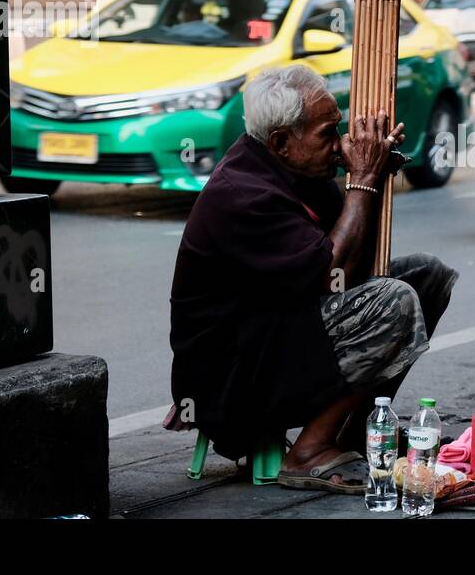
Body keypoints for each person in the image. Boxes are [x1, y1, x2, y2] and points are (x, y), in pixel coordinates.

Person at [168, 65, 458, 493]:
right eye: (328, 134)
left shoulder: (299, 171)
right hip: (230, 377)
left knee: (425, 276)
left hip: (281, 333)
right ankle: (309, 452)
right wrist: (361, 181)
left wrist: (374, 173)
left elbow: (356, 268)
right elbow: (332, 274)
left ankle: (352, 432)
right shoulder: (243, 192)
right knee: (392, 301)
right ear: (283, 141)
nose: (338, 145)